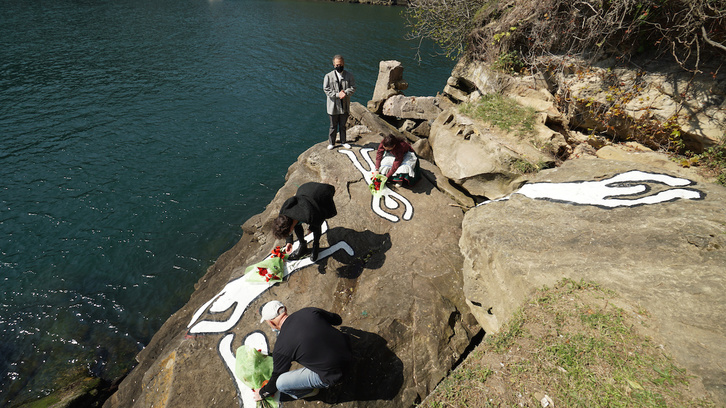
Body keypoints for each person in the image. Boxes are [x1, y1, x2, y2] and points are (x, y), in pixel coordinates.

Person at [254, 301, 353, 401]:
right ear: (285, 309)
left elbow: (276, 379)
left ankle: (310, 391)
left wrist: (263, 393)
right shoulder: (309, 311)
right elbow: (337, 320)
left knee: (281, 383)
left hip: (335, 374)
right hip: (348, 349)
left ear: (271, 322)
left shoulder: (281, 347)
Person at [272, 182, 337, 262]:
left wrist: (312, 228)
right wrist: (289, 242)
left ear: (290, 228)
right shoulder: (283, 213)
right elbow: (288, 227)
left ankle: (316, 245)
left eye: (289, 233)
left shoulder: (309, 215)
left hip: (321, 192)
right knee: (297, 225)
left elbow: (319, 220)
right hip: (304, 190)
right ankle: (303, 245)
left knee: (316, 226)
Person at [323, 55, 356, 150]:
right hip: (333, 106)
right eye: (337, 64)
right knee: (333, 126)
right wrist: (338, 95)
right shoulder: (328, 76)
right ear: (334, 65)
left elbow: (353, 87)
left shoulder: (349, 75)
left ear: (343, 64)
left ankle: (343, 142)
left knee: (343, 125)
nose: (339, 66)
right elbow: (326, 89)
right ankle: (331, 143)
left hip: (344, 105)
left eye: (341, 64)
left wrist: (345, 92)